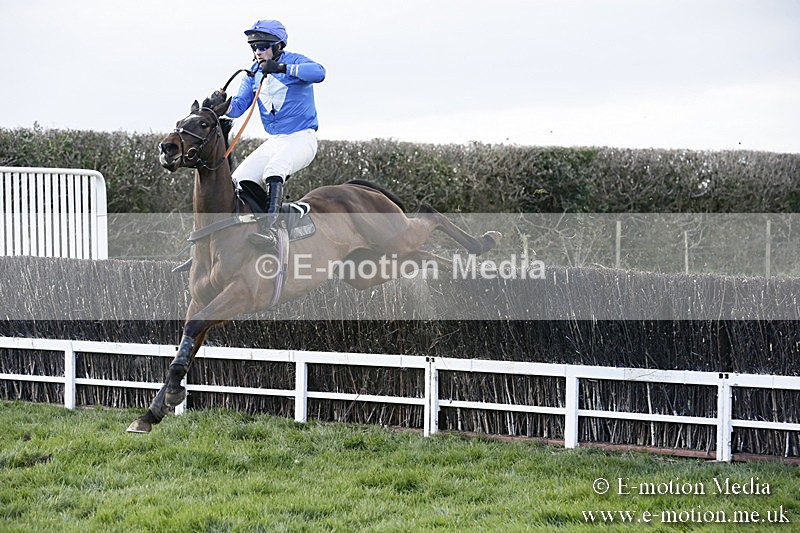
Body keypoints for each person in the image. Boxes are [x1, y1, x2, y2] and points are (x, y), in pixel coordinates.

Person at [208, 19, 325, 249]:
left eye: (262, 46)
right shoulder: (252, 73)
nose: (258, 52)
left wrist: (282, 68)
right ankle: (279, 215)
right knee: (238, 180)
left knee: (275, 169)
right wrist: (219, 106)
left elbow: (319, 73)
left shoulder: (294, 61)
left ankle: (271, 233)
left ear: (278, 46)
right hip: (275, 141)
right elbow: (239, 107)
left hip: (302, 137)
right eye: (254, 47)